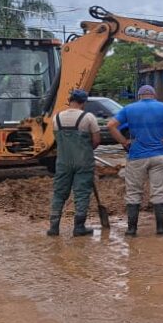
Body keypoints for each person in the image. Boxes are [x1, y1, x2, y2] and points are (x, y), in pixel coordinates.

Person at [107, 85, 163, 237]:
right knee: (158, 192)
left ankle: (132, 230)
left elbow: (111, 125)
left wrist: (124, 142)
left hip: (137, 156)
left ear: (139, 95)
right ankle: (161, 229)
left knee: (133, 192)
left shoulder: (129, 109)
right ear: (154, 95)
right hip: (159, 155)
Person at [47, 89, 101, 237]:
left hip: (63, 162)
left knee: (59, 193)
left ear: (70, 101)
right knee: (82, 193)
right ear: (83, 103)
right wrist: (86, 149)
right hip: (83, 161)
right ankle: (79, 227)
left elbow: (57, 140)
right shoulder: (88, 117)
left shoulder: (56, 118)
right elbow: (96, 140)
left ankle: (54, 227)